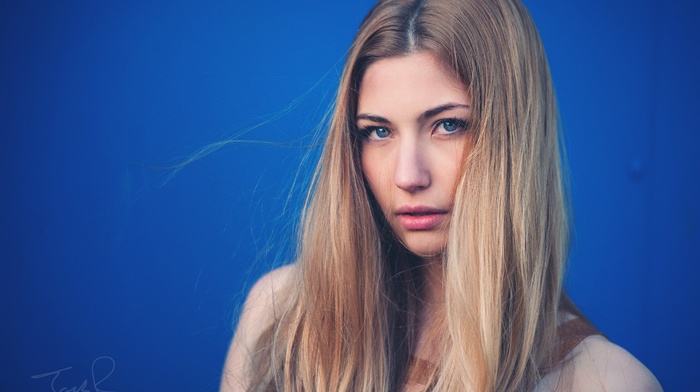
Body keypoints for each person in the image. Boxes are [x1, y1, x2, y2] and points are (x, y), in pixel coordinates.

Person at [220, 0, 662, 390]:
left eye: (448, 125)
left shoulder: (605, 382)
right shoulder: (282, 316)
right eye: (378, 131)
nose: (407, 176)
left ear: (515, 139)